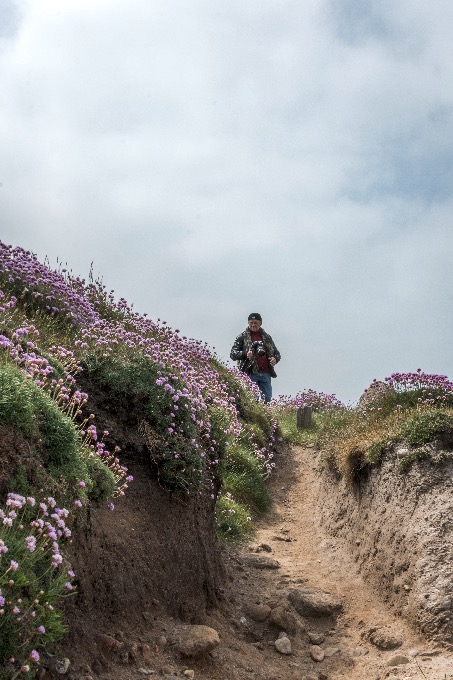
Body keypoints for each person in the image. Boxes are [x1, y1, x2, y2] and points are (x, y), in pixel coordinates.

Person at [230, 312, 281, 403]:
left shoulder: (267, 337)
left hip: (266, 373)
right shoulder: (241, 337)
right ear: (248, 323)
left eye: (255, 323)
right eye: (251, 323)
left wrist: (275, 359)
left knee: (267, 400)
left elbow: (277, 353)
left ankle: (265, 417)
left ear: (260, 323)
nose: (253, 325)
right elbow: (233, 354)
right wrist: (246, 354)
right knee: (252, 400)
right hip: (250, 372)